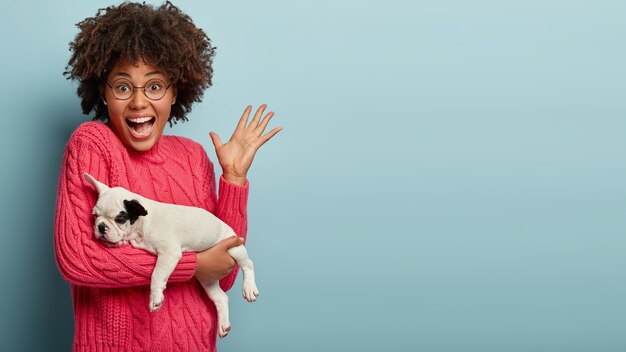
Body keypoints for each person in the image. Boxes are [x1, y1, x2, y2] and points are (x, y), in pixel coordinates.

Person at [54, 2, 281, 351]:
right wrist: (193, 263)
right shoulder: (93, 144)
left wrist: (233, 178)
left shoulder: (193, 158)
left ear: (176, 92)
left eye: (155, 86)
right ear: (103, 92)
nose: (139, 102)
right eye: (123, 87)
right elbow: (80, 258)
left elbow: (226, 269)